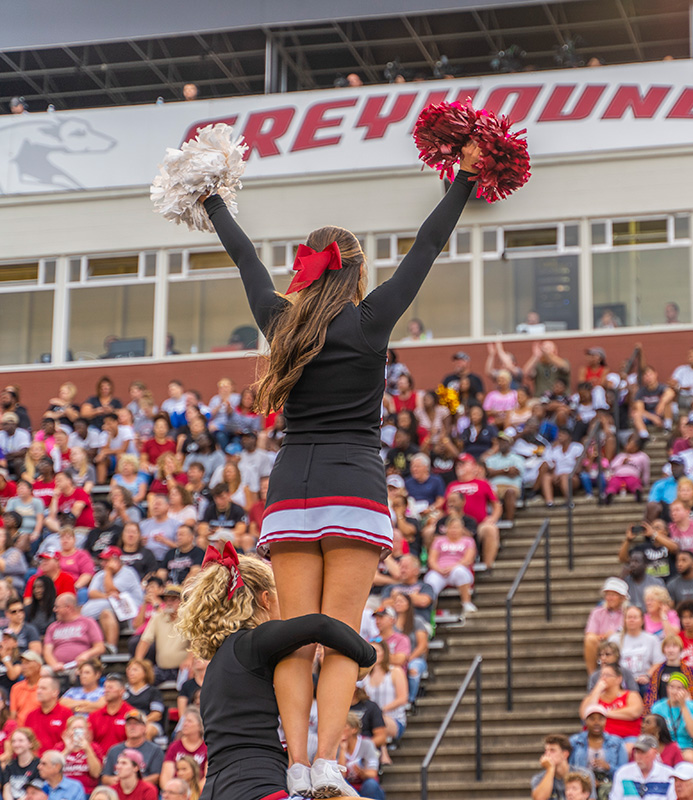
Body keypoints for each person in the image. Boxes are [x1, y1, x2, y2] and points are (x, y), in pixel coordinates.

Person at [200, 142, 482, 791]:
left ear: (306, 269)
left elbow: (244, 257)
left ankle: (296, 766)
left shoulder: (281, 324)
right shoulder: (372, 319)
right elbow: (428, 246)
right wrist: (465, 179)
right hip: (353, 484)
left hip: (292, 489)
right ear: (355, 272)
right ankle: (329, 763)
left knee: (296, 638)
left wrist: (211, 197)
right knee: (342, 634)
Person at [175, 543, 376, 799]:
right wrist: (368, 655)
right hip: (256, 787)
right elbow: (320, 624)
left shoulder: (220, 660)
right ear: (265, 599)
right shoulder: (250, 642)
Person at [580, 664, 644, 742]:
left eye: (607, 675)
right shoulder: (592, 697)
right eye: (601, 676)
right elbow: (585, 714)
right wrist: (597, 690)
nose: (603, 678)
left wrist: (602, 713)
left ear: (618, 679)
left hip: (626, 737)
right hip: (597, 738)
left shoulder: (631, 695)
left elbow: (634, 712)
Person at [43, 594, 105, 673]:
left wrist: (86, 655)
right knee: (44, 671)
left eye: (57, 607)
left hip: (81, 666)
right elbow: (47, 652)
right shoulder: (52, 627)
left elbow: (100, 647)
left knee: (84, 672)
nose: (55, 610)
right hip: (58, 668)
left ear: (68, 607)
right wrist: (54, 665)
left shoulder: (88, 622)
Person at [570, 704, 626, 788]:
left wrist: (608, 767)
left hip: (609, 784)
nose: (596, 723)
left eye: (600, 719)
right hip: (581, 784)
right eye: (592, 719)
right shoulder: (575, 741)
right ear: (586, 721)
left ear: (605, 721)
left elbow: (623, 771)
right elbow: (569, 767)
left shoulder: (617, 742)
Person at [101, 711, 163, 787]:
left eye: (136, 723)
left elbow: (156, 777)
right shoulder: (114, 750)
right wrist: (113, 780)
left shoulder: (155, 750)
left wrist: (132, 783)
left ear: (145, 728)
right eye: (129, 724)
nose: (132, 727)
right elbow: (105, 777)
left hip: (143, 791)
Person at [609, 606, 665, 688]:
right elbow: (609, 662)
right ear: (624, 620)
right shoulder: (614, 639)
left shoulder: (652, 639)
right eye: (629, 617)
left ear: (642, 621)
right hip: (621, 681)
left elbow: (658, 662)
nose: (631, 620)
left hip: (644, 680)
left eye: (635, 617)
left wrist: (647, 675)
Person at [608, 733, 676, 800]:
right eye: (637, 752)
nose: (638, 756)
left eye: (643, 752)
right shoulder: (622, 773)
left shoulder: (668, 775)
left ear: (654, 752)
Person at [650, 672, 693, 760]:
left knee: (690, 757)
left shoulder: (691, 706)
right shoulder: (658, 707)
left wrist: (683, 706)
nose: (674, 691)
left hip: (684, 746)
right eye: (671, 687)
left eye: (679, 688)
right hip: (664, 746)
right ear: (667, 688)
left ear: (685, 691)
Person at [584, 578, 628, 675]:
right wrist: (605, 636)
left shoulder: (628, 612)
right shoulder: (597, 612)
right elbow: (590, 633)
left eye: (613, 595)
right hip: (602, 644)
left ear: (622, 597)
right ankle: (593, 676)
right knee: (589, 639)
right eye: (607, 595)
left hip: (623, 645)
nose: (609, 598)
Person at [531, 735, 593, 800]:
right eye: (546, 751)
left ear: (565, 754)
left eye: (552, 750)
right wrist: (550, 769)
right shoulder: (539, 778)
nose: (547, 754)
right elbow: (539, 798)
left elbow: (591, 798)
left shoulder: (584, 774)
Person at [337, 713, 383, 800]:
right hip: (347, 784)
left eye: (344, 726)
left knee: (371, 784)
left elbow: (373, 773)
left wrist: (362, 773)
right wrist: (343, 750)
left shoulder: (366, 744)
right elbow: (340, 775)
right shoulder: (336, 746)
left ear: (354, 729)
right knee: (339, 785)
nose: (340, 729)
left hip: (364, 784)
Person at [87, 675, 134, 758]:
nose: (106, 690)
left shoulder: (131, 714)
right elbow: (89, 741)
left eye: (110, 688)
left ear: (121, 691)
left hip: (125, 760)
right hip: (99, 761)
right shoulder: (94, 716)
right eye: (105, 687)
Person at [25, 675, 73, 752]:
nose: (38, 691)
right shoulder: (31, 715)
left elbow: (69, 740)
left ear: (55, 692)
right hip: (34, 761)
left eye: (43, 688)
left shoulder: (66, 713)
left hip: (57, 759)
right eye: (38, 688)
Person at [5, 728, 41, 800]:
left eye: (21, 741)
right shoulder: (10, 766)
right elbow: (6, 790)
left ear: (31, 743)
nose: (16, 744)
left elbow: (36, 792)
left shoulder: (39, 765)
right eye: (13, 741)